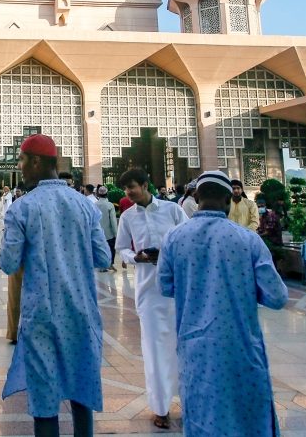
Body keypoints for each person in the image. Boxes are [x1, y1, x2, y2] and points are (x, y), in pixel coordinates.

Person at [158, 170, 287, 436]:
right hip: (240, 349)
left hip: (197, 350)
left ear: (196, 196)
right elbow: (277, 297)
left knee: (203, 417)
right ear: (229, 199)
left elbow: (165, 287)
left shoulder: (174, 238)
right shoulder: (248, 240)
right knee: (247, 419)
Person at [1, 134, 111, 437]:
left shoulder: (22, 208)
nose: (19, 166)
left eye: (22, 160)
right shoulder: (85, 206)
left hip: (41, 318)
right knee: (81, 390)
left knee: (44, 398)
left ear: (36, 161)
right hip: (81, 313)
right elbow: (103, 256)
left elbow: (9, 264)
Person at [115, 168, 187, 430]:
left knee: (183, 347)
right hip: (148, 291)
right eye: (125, 189)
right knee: (155, 349)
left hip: (179, 291)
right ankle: (160, 408)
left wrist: (168, 254)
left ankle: (190, 401)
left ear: (145, 185)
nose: (128, 193)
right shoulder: (128, 217)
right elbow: (121, 248)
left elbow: (187, 241)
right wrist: (138, 257)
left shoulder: (172, 211)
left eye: (131, 187)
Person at [94, 186, 118, 271]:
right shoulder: (109, 205)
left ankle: (102, 266)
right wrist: (116, 233)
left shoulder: (95, 204)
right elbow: (113, 220)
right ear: (107, 194)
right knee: (111, 248)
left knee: (100, 248)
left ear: (97, 194)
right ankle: (110, 264)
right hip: (109, 232)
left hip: (98, 231)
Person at [256, 196, 285, 264]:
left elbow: (268, 232)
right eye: (258, 207)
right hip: (267, 243)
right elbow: (261, 229)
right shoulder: (262, 217)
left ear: (265, 206)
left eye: (261, 206)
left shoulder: (270, 216)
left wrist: (257, 235)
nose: (260, 208)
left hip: (273, 244)